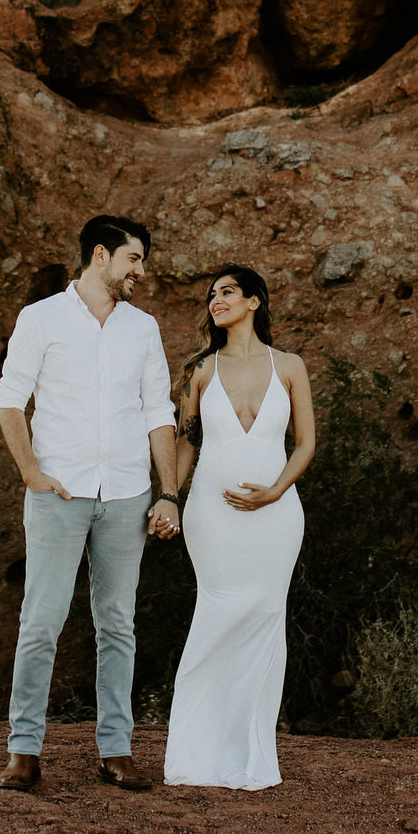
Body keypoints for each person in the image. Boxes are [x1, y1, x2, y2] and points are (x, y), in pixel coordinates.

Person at [0, 215, 184, 792]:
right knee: (41, 624)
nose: (140, 273)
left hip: (127, 495)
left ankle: (115, 749)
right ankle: (23, 750)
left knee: (118, 625)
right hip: (60, 494)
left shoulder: (142, 328)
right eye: (134, 260)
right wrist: (32, 474)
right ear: (101, 255)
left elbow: (159, 414)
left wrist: (168, 493)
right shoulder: (41, 317)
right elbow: (9, 401)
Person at [161, 264, 315, 790]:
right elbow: (184, 442)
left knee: (267, 616)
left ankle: (251, 753)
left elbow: (306, 445)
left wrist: (276, 490)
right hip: (212, 513)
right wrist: (169, 499)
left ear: (254, 301)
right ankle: (194, 752)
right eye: (211, 295)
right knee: (217, 612)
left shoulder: (290, 365)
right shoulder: (201, 371)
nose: (216, 300)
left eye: (228, 292)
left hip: (277, 514)